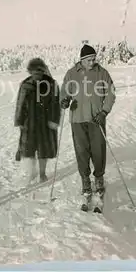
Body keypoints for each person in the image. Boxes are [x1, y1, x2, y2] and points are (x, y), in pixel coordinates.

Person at [59, 44, 116, 209]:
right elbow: (65, 91)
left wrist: (104, 112)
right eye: (89, 59)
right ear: (82, 60)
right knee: (81, 152)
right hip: (77, 119)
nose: (92, 62)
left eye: (94, 59)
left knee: (98, 151)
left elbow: (111, 93)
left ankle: (98, 178)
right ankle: (85, 180)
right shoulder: (72, 74)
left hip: (96, 119)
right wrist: (64, 100)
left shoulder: (102, 73)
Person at [14, 58, 61, 183]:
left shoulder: (51, 84)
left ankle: (42, 173)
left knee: (43, 150)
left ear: (43, 71)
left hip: (45, 122)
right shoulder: (25, 84)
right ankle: (32, 172)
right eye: (34, 72)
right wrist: (19, 120)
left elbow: (56, 104)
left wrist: (54, 120)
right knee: (29, 150)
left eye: (39, 71)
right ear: (30, 72)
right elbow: (20, 103)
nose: (37, 74)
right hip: (29, 122)